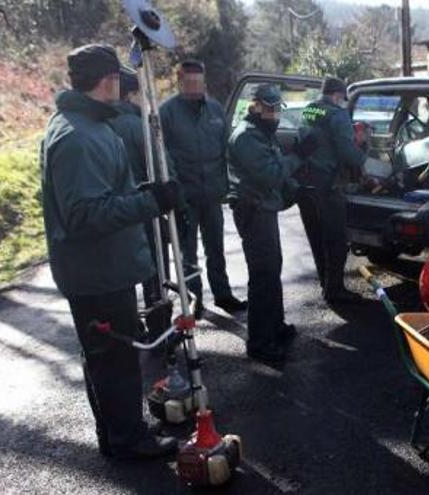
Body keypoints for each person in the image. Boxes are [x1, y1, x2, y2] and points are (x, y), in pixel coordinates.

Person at [40, 44, 179, 459]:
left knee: (109, 357)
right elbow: (84, 215)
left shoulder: (90, 126)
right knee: (112, 359)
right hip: (96, 274)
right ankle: (125, 438)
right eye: (118, 78)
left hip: (103, 268)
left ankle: (121, 428)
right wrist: (149, 202)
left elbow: (103, 194)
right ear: (109, 81)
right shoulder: (77, 137)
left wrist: (142, 194)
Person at [227, 84, 312, 363]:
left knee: (272, 269)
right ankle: (260, 342)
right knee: (263, 276)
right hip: (254, 211)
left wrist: (295, 187)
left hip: (264, 208)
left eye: (276, 108)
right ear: (255, 106)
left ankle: (275, 327)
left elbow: (278, 172)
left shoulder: (263, 133)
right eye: (268, 107)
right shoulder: (246, 138)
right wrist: (297, 158)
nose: (274, 113)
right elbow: (271, 174)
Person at [159, 60, 245, 319]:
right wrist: (175, 192)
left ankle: (223, 294)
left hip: (212, 196)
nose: (195, 88)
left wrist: (230, 186)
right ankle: (194, 300)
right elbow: (162, 155)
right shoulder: (167, 113)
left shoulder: (216, 110)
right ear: (180, 82)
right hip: (185, 197)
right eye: (190, 83)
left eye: (199, 82)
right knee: (188, 254)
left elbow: (227, 151)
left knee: (216, 249)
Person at [108, 66, 172, 338]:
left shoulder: (100, 126)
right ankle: (161, 329)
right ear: (131, 94)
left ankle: (131, 327)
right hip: (145, 212)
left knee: (120, 276)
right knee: (154, 273)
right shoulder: (139, 127)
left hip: (113, 214)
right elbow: (162, 167)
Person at [297, 76, 367, 305]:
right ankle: (334, 291)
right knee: (336, 241)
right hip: (328, 187)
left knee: (317, 239)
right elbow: (350, 155)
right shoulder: (338, 116)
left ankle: (325, 283)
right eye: (343, 99)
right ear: (338, 96)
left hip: (305, 186)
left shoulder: (308, 110)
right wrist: (363, 146)